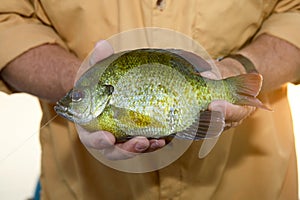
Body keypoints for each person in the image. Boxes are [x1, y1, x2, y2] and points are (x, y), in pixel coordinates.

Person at [0, 1, 299, 199]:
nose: (73, 100)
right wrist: (74, 77)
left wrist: (242, 68)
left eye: (77, 97)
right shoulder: (96, 97)